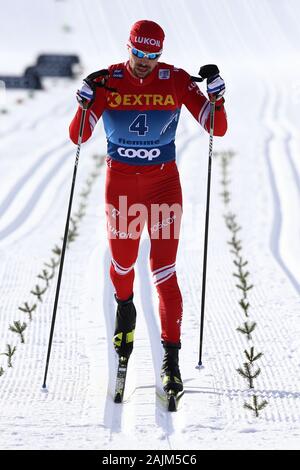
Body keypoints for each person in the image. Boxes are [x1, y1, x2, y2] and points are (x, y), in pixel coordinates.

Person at [69, 20, 227, 395]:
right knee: (122, 267)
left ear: (161, 53)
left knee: (164, 273)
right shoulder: (108, 81)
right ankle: (126, 308)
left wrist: (217, 98)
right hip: (121, 189)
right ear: (129, 47)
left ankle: (172, 362)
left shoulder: (174, 80)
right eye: (139, 53)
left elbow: (215, 128)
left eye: (152, 55)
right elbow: (78, 135)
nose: (144, 61)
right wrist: (84, 102)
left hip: (162, 187)